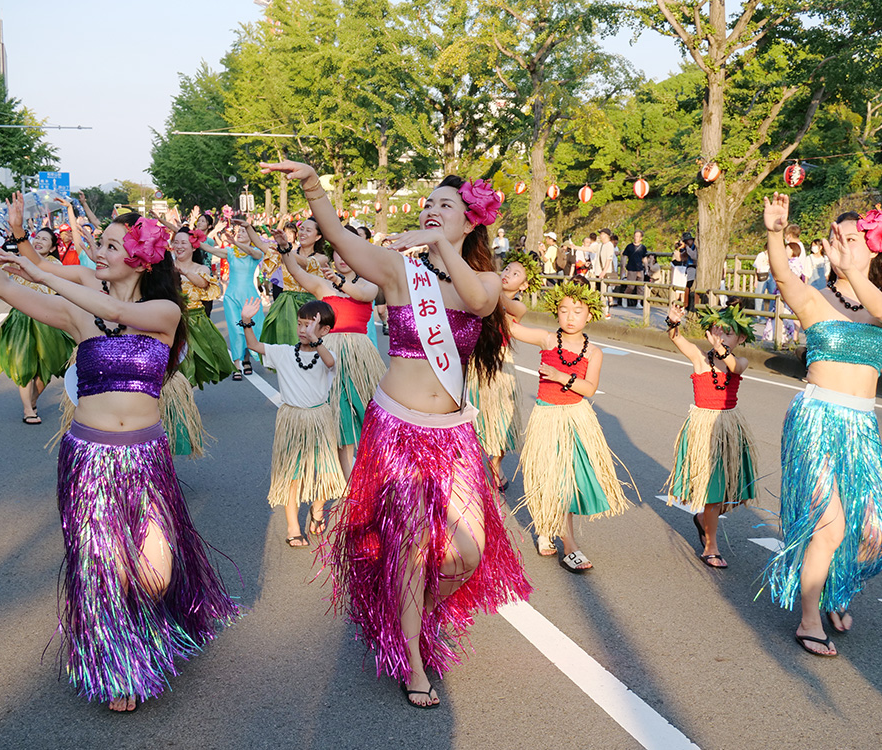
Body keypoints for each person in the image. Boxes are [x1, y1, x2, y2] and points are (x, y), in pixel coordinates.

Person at [0, 194, 239, 711]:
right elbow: (3, 287)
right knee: (103, 567)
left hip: (146, 459)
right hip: (90, 457)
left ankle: (151, 627)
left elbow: (116, 309)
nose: (97, 253)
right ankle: (119, 662)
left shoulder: (163, 311)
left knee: (153, 573)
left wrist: (42, 270)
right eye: (97, 245)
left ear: (140, 258)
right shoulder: (83, 319)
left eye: (107, 246)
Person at [259, 159, 531, 709]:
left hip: (453, 434)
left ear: (472, 223)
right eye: (428, 204)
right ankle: (411, 654)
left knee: (465, 554)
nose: (432, 210)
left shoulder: (482, 280)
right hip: (398, 429)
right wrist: (315, 187)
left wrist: (438, 246)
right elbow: (339, 237)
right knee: (408, 550)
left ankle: (417, 612)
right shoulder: (399, 273)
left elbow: (480, 302)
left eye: (445, 206)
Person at [761, 194, 882, 657]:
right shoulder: (815, 300)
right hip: (817, 419)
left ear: (874, 247)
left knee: (874, 530)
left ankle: (833, 588)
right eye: (835, 239)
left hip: (861, 428)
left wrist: (859, 271)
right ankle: (809, 621)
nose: (841, 247)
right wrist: (774, 233)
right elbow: (783, 275)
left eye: (853, 239)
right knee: (828, 527)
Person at [511, 279, 630, 571]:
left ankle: (558, 533)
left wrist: (560, 376)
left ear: (590, 314)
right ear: (556, 312)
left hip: (576, 418)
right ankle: (562, 539)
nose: (570, 316)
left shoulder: (594, 352)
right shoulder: (548, 340)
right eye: (564, 310)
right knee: (550, 477)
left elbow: (589, 389)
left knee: (569, 480)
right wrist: (502, 294)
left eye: (578, 311)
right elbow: (510, 327)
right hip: (547, 417)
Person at [275, 233, 386, 478]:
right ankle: (345, 480)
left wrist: (339, 281)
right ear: (332, 254)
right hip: (328, 354)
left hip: (360, 357)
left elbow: (362, 295)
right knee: (339, 418)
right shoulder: (322, 285)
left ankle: (370, 474)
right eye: (337, 251)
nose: (343, 257)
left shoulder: (369, 282)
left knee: (370, 415)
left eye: (347, 251)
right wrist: (285, 249)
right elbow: (296, 272)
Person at [241, 297, 346, 547]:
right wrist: (246, 322)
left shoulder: (326, 355)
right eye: (300, 324)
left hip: (319, 419)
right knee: (292, 475)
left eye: (309, 325)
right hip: (292, 419)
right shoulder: (285, 352)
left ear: (324, 330)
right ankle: (292, 527)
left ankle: (317, 510)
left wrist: (316, 340)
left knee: (324, 471)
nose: (302, 330)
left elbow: (330, 362)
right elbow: (255, 345)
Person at [664, 300, 758, 568]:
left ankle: (704, 520)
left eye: (728, 332)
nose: (721, 336)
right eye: (717, 330)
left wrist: (723, 350)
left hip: (728, 428)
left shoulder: (741, 360)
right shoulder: (699, 359)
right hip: (703, 430)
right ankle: (711, 546)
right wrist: (673, 321)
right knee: (712, 492)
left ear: (740, 337)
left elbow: (735, 367)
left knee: (727, 491)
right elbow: (677, 338)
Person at [0, 203, 74, 425]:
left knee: (50, 367)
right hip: (21, 320)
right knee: (24, 365)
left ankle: (34, 399)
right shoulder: (19, 258)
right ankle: (28, 409)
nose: (38, 241)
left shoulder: (54, 265)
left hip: (48, 319)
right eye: (36, 237)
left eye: (44, 240)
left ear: (51, 248)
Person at [467, 248, 539, 488]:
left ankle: (495, 467)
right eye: (507, 269)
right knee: (473, 415)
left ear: (525, 285)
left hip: (499, 364)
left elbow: (510, 307)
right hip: (474, 361)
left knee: (500, 419)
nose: (508, 273)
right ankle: (472, 467)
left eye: (516, 273)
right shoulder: (486, 290)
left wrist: (492, 286)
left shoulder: (517, 305)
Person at [171, 227, 236, 387]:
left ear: (193, 246)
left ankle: (185, 401)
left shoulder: (201, 268)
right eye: (176, 242)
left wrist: (184, 272)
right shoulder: (165, 267)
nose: (179, 246)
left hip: (194, 321)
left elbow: (203, 283)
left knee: (189, 365)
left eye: (183, 243)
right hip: (170, 320)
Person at [205, 223, 266, 379]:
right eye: (239, 231)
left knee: (249, 329)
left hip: (250, 297)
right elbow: (210, 249)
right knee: (236, 329)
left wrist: (236, 243)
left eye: (245, 232)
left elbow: (253, 252)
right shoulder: (231, 252)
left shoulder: (257, 252)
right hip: (231, 296)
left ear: (252, 236)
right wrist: (191, 239)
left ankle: (247, 360)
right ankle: (237, 364)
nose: (240, 233)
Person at [256, 218, 328, 346]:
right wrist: (248, 227)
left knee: (310, 345)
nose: (303, 233)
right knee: (286, 343)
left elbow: (306, 263)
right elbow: (262, 246)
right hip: (286, 305)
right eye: (302, 229)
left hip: (311, 305)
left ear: (318, 237)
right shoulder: (288, 251)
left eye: (308, 230)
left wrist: (285, 248)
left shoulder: (322, 257)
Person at [621, 231, 648, 306]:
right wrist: (623, 267)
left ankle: (638, 302)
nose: (636, 238)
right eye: (635, 236)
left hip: (640, 269)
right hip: (631, 268)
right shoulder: (629, 247)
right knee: (631, 286)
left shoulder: (643, 248)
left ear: (641, 238)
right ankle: (625, 297)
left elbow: (644, 259)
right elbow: (625, 257)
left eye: (638, 236)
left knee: (640, 287)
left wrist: (646, 268)